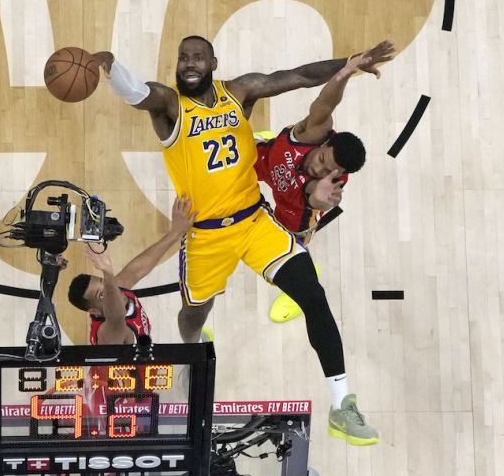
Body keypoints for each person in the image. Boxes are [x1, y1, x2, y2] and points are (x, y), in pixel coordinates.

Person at [91, 37, 395, 447]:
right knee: (193, 313)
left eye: (198, 57)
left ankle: (342, 404)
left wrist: (350, 63)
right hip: (205, 234)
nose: (190, 64)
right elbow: (139, 94)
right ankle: (193, 347)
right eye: (184, 58)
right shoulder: (170, 106)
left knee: (314, 296)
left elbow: (301, 76)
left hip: (253, 220)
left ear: (213, 61)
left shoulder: (240, 91)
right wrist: (112, 68)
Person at [252, 47, 388, 323]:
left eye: (328, 171)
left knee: (281, 271)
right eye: (322, 159)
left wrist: (318, 198)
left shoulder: (326, 187)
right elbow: (326, 103)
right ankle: (267, 148)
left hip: (292, 211)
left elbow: (316, 196)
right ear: (325, 142)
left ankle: (297, 289)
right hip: (273, 162)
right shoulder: (313, 131)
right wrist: (347, 70)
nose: (319, 168)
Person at [66, 194, 195, 344]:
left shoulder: (114, 289)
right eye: (101, 295)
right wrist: (107, 273)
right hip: (132, 368)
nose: (110, 288)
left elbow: (137, 269)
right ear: (94, 311)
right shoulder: (108, 333)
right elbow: (116, 316)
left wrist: (176, 232)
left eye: (103, 282)